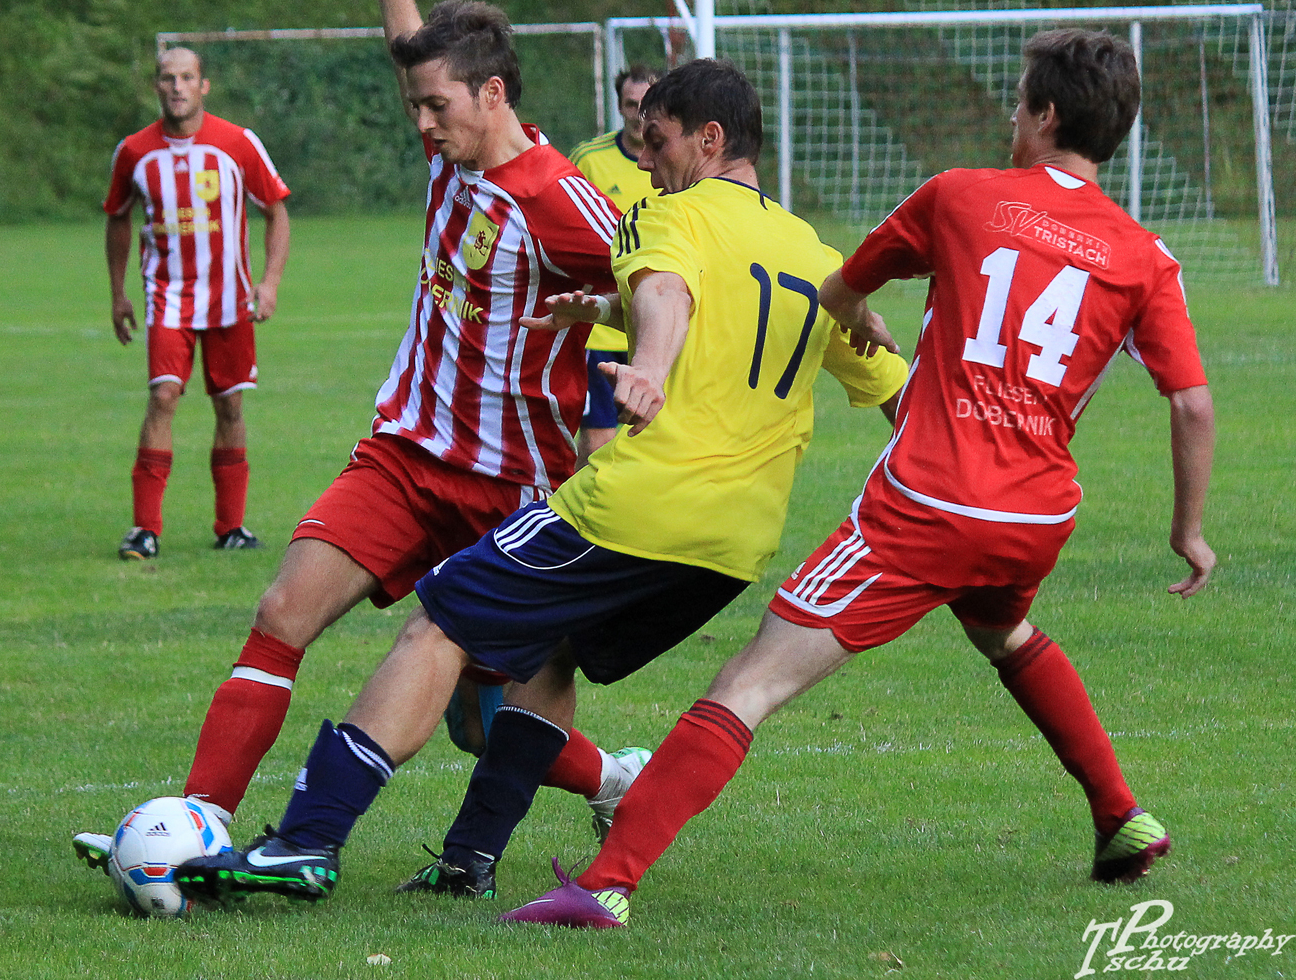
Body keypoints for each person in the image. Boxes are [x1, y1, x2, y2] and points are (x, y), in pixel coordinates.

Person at [501, 28, 1217, 930]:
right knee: (1003, 629)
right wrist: (1188, 530)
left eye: (1017, 102)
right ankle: (1121, 814)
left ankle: (607, 882)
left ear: (1043, 114)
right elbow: (1192, 404)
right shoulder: (1147, 254)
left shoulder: (959, 195)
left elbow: (836, 292)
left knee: (748, 683)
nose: (1010, 116)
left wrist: (861, 312)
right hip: (1037, 514)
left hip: (929, 503)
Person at [169, 57, 908, 908]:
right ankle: (468, 859)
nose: (647, 161)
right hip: (735, 547)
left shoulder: (669, 215)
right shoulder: (816, 255)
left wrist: (650, 364)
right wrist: (602, 312)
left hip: (635, 508)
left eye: (659, 141)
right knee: (550, 655)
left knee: (439, 624)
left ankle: (307, 839)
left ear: (710, 139)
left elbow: (670, 292)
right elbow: (894, 385)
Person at [72, 0, 640, 875]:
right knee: (281, 611)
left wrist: (634, 353)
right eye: (417, 106)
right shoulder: (450, 150)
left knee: (482, 720)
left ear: (493, 95)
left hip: (509, 487)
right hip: (403, 452)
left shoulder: (562, 203)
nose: (420, 124)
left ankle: (613, 782)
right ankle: (195, 827)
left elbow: (662, 283)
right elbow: (415, 52)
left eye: (436, 107)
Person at [105, 47, 291, 559]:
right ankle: (145, 528)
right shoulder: (134, 152)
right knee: (164, 396)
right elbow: (117, 217)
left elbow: (276, 211)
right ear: (156, 86)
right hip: (167, 298)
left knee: (229, 405)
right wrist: (118, 293)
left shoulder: (237, 143)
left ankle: (231, 526)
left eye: (187, 77)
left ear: (203, 85)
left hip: (230, 299)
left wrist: (270, 283)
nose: (177, 87)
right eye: (168, 78)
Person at [568, 65, 662, 466]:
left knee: (652, 446)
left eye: (647, 105)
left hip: (655, 325)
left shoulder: (676, 161)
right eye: (630, 104)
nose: (638, 115)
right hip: (599, 330)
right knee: (596, 446)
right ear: (619, 106)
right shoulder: (590, 159)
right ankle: (570, 505)